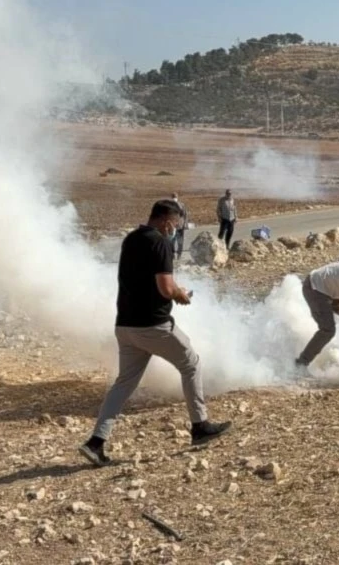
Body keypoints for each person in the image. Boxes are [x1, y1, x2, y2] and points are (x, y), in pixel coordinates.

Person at [80, 199, 232, 467]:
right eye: (175, 224)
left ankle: (96, 443)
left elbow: (149, 280)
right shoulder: (160, 243)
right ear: (165, 221)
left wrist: (176, 288)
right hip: (152, 324)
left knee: (123, 383)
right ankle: (200, 426)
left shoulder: (132, 239)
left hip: (125, 325)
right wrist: (179, 295)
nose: (176, 229)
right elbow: (164, 287)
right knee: (191, 364)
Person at [170, 192, 188, 259]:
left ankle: (179, 255)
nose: (174, 198)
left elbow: (185, 215)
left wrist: (185, 224)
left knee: (180, 241)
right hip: (172, 226)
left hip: (180, 225)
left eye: (175, 196)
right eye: (173, 196)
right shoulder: (169, 205)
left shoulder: (181, 205)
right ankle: (173, 254)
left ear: (177, 197)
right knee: (172, 241)